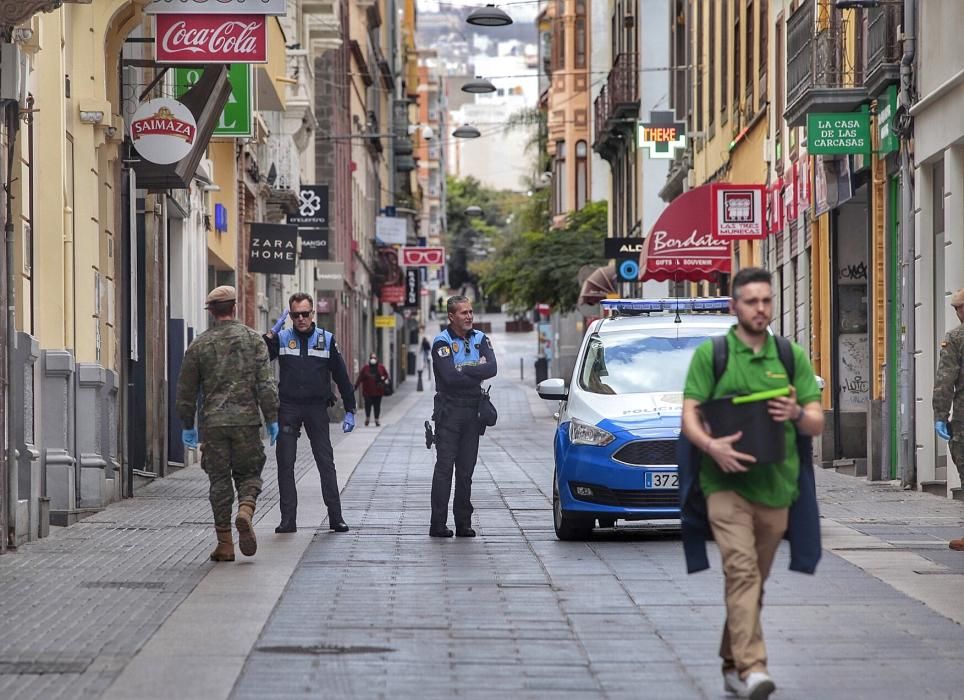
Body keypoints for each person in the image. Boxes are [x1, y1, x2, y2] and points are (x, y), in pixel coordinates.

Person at [680, 267, 823, 700]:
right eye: (751, 301)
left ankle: (730, 662)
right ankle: (754, 669)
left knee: (752, 584)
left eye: (766, 300)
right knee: (741, 574)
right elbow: (688, 414)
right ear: (734, 305)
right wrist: (712, 445)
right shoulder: (714, 355)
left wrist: (797, 414)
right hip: (724, 486)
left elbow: (816, 422)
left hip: (776, 489)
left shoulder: (788, 356)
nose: (761, 309)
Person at [175, 286, 279, 562]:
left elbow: (186, 390)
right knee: (250, 473)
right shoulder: (253, 340)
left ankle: (225, 544)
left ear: (211, 312)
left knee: (219, 481)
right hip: (246, 422)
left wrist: (188, 424)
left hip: (214, 424)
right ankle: (245, 509)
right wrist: (272, 419)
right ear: (235, 308)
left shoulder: (199, 344)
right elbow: (266, 384)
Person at [264, 292, 356, 534]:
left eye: (305, 314)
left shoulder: (326, 339)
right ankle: (287, 520)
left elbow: (342, 376)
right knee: (285, 464)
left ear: (313, 313)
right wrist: (270, 335)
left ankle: (336, 518)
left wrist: (351, 409)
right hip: (288, 407)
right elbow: (258, 357)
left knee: (326, 463)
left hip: (316, 408)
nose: (301, 319)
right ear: (290, 316)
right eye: (296, 315)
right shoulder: (283, 338)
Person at [428, 295, 497, 538]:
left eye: (470, 311)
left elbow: (492, 368)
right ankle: (437, 524)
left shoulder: (480, 338)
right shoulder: (442, 342)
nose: (469, 316)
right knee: (445, 468)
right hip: (449, 412)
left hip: (473, 412)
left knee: (466, 471)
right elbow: (448, 377)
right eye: (463, 313)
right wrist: (476, 371)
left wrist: (464, 369)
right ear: (451, 316)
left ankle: (463, 523)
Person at [933, 288, 964, 551]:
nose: (957, 312)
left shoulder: (956, 338)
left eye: (959, 308)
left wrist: (940, 415)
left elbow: (946, 380)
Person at [355, 353, 390, 426]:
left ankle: (376, 419)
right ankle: (367, 418)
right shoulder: (365, 368)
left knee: (377, 406)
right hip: (367, 391)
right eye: (372, 358)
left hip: (378, 391)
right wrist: (356, 386)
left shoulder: (381, 367)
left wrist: (383, 379)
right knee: (367, 405)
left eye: (374, 358)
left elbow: (386, 375)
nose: (373, 360)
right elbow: (360, 378)